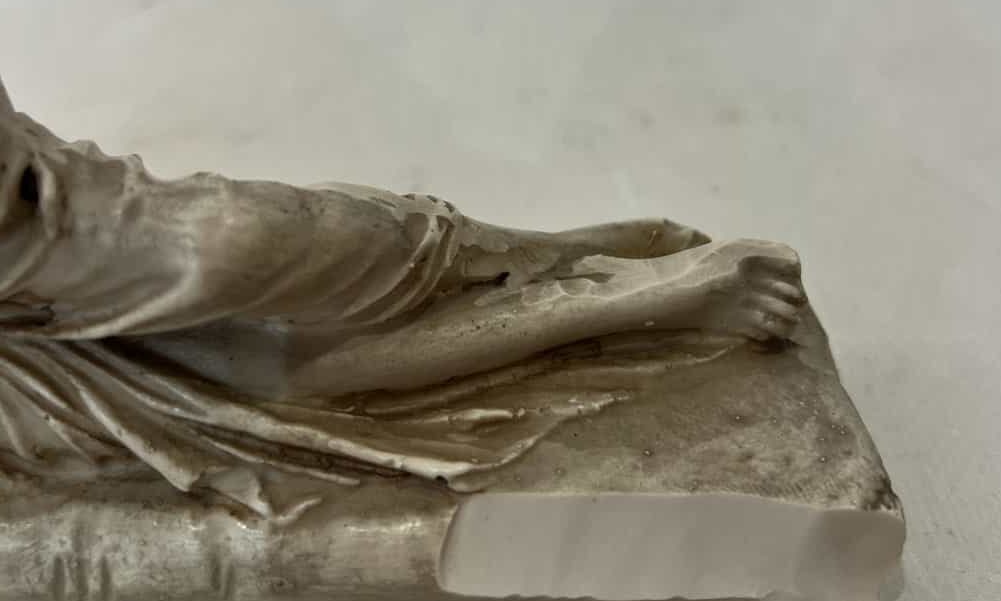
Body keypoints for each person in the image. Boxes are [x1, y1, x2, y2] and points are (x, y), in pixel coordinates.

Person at [0, 79, 803, 515]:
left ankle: (594, 268)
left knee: (291, 322)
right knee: (268, 374)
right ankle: (628, 290)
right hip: (55, 303)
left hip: (78, 242)